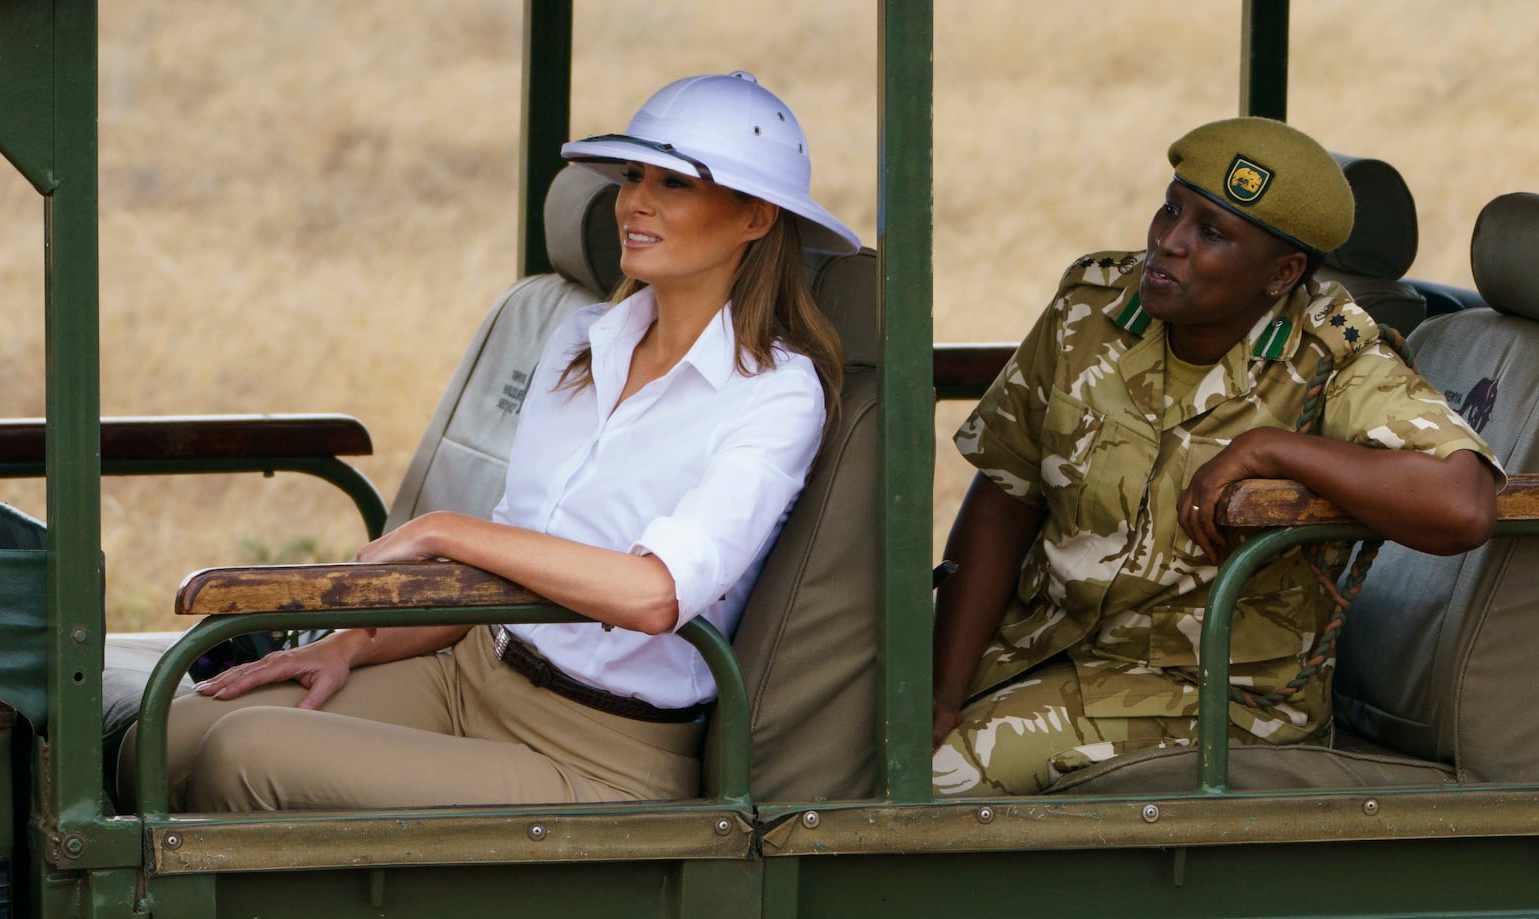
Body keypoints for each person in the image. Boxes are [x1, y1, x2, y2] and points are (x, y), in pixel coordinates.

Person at [136, 71, 860, 811]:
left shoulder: (775, 393)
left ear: (756, 218)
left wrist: (447, 530)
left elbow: (654, 594)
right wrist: (352, 644)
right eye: (632, 176)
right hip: (474, 667)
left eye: (673, 184)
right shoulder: (582, 341)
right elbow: (514, 568)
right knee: (158, 739)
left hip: (601, 750)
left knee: (245, 755)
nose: (634, 202)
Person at [930, 117, 1503, 797]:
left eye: (1211, 232)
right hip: (1046, 645)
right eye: (1171, 208)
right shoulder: (1089, 310)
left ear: (1282, 273)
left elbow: (1462, 503)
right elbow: (1004, 498)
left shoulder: (1332, 354)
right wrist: (941, 687)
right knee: (858, 728)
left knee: (935, 778)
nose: (1168, 242)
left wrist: (1273, 447)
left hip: (1216, 695)